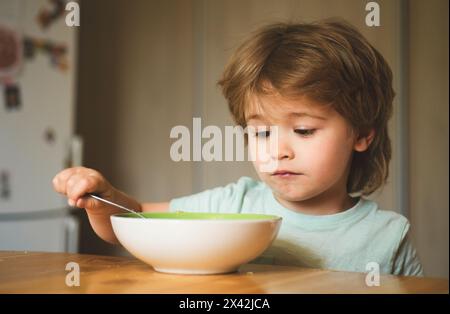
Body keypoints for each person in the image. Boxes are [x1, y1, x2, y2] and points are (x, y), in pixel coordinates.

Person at [52, 19, 423, 276]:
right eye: (261, 134)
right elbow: (134, 220)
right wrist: (104, 199)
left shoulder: (388, 237)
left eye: (304, 130)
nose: (277, 151)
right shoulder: (235, 205)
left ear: (362, 135)